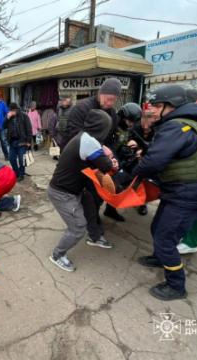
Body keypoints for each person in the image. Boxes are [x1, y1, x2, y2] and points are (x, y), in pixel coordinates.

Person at [134, 85, 197, 301]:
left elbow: (155, 161)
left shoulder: (178, 126)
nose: (155, 110)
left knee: (165, 237)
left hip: (186, 193)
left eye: (159, 105)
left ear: (174, 106)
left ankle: (176, 285)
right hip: (178, 191)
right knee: (157, 227)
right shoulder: (185, 125)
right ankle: (160, 257)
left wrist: (129, 175)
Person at [48, 109, 117, 272]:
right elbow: (106, 166)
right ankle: (57, 254)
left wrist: (105, 153)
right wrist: (110, 159)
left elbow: (97, 159)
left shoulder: (86, 137)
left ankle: (95, 237)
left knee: (91, 206)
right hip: (62, 193)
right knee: (78, 226)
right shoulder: (88, 141)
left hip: (76, 189)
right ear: (102, 128)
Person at [66, 78, 125, 223]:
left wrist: (113, 157)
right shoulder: (82, 107)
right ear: (100, 93)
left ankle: (107, 210)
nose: (109, 103)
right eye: (108, 99)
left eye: (114, 100)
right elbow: (73, 133)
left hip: (98, 157)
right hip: (78, 156)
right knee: (87, 191)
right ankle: (90, 220)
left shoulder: (112, 114)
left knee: (109, 185)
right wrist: (100, 147)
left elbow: (110, 138)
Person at [4, 103, 32, 181]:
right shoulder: (9, 117)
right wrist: (7, 117)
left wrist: (29, 141)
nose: (12, 111)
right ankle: (16, 173)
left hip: (22, 141)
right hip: (12, 141)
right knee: (11, 158)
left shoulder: (24, 116)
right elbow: (3, 126)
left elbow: (29, 129)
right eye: (11, 110)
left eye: (13, 110)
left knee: (21, 159)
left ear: (17, 109)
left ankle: (21, 174)